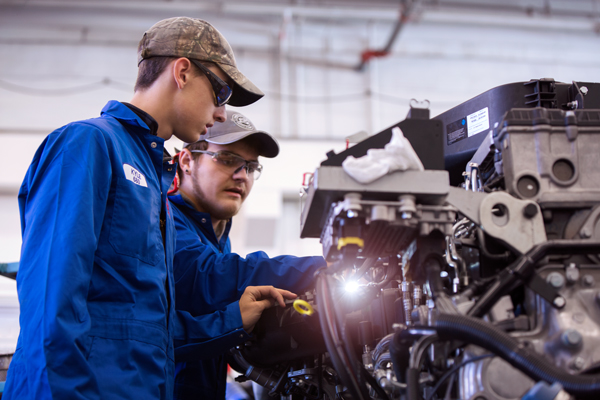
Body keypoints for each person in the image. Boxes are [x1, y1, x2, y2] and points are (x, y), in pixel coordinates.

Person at [4, 17, 295, 400]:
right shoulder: (89, 143)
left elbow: (143, 329)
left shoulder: (152, 184)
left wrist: (230, 320)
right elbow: (50, 305)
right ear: (183, 72)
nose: (221, 114)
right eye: (220, 93)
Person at [168, 111, 327, 399]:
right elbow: (207, 276)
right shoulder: (165, 218)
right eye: (227, 159)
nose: (242, 175)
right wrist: (323, 267)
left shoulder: (215, 233)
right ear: (187, 161)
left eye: (251, 166)